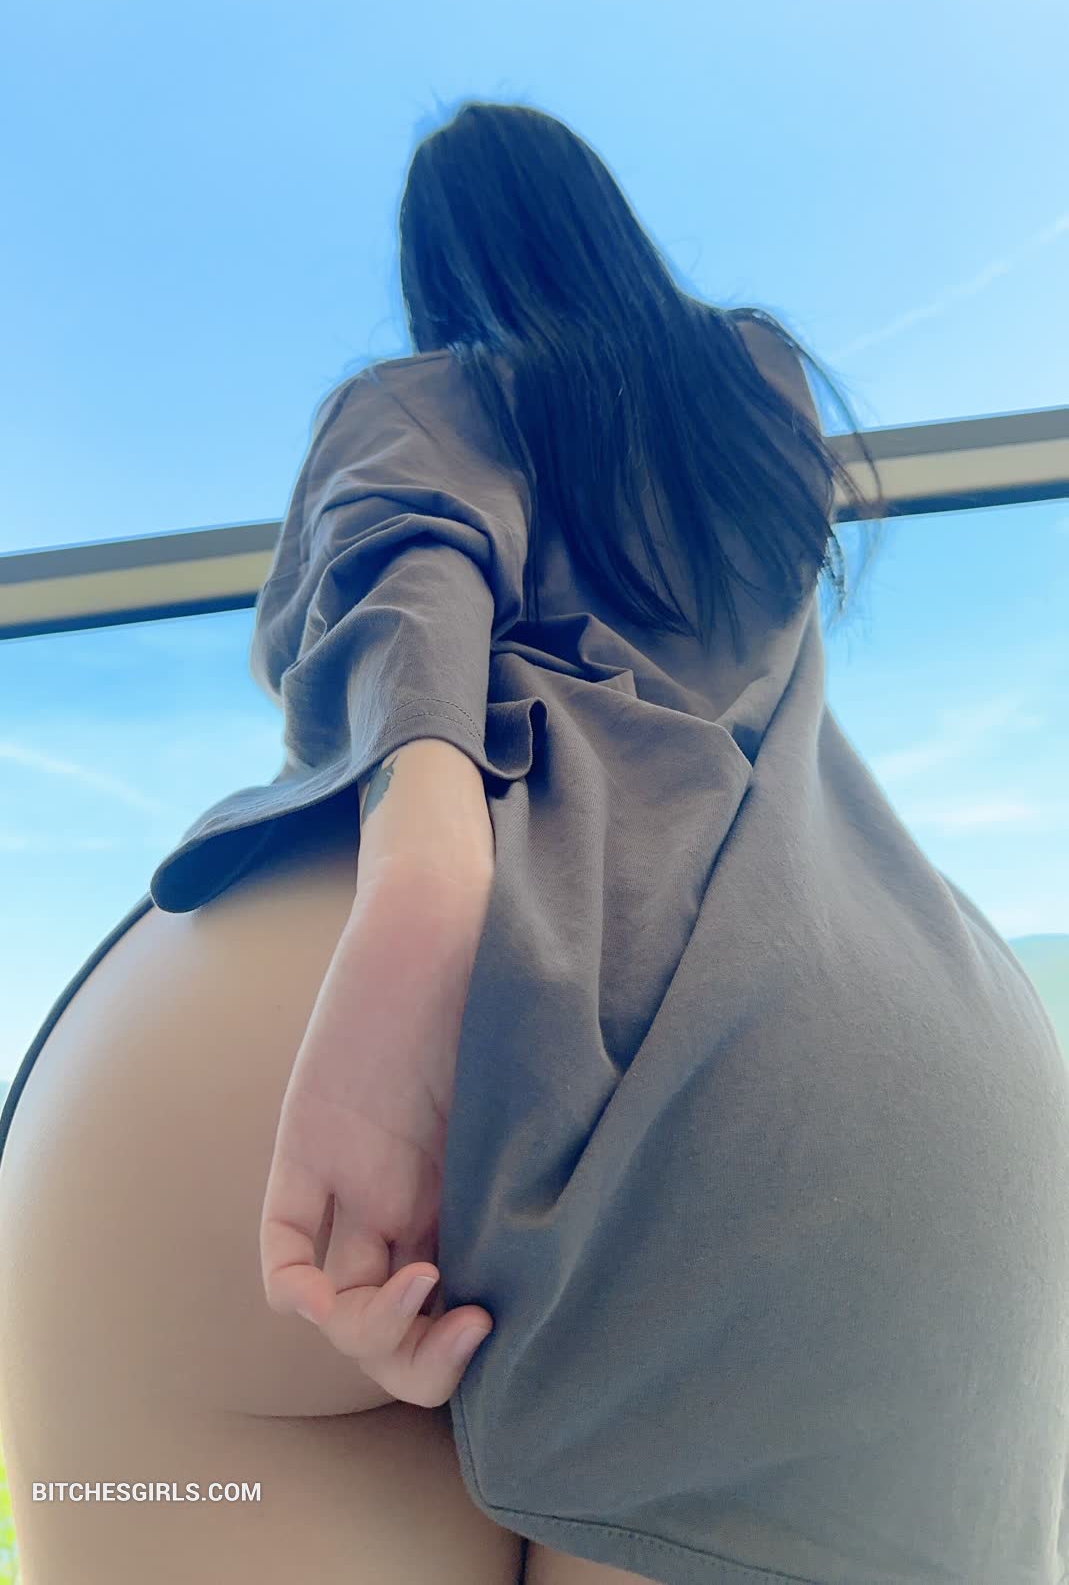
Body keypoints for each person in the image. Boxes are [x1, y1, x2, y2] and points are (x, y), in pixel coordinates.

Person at [1, 98, 1066, 1585]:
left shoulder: (420, 396)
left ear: (440, 267)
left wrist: (427, 879)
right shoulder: (757, 390)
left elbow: (404, 570)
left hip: (319, 1032)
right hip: (828, 1055)